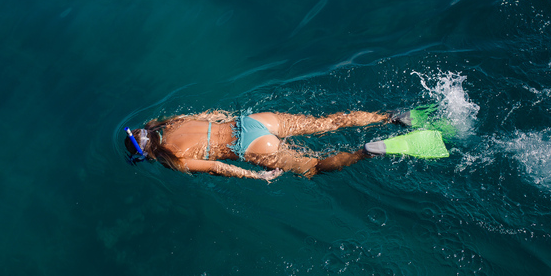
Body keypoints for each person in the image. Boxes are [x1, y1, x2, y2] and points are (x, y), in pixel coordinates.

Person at [125, 109, 411, 180]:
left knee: (314, 167)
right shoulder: (172, 122)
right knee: (327, 123)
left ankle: (366, 152)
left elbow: (215, 166)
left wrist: (257, 175)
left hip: (253, 147)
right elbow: (213, 115)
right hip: (251, 122)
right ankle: (390, 117)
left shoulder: (172, 158)